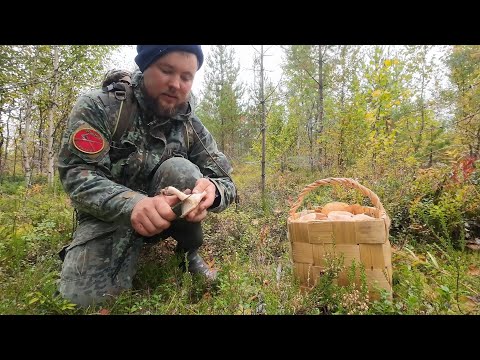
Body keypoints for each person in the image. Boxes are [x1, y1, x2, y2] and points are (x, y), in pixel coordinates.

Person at [56, 45, 236, 308]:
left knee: (182, 170)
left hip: (167, 218)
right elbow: (77, 174)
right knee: (83, 301)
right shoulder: (101, 107)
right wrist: (133, 204)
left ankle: (187, 253)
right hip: (111, 217)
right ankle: (102, 250)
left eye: (186, 77)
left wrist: (213, 191)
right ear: (145, 66)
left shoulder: (191, 126)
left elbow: (226, 180)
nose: (176, 84)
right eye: (166, 70)